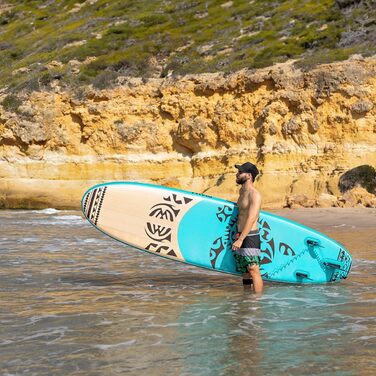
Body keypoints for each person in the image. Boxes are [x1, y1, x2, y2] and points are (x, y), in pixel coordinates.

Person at [232, 162, 263, 294]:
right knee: (244, 271)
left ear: (249, 175)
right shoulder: (242, 191)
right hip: (240, 234)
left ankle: (257, 301)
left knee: (253, 269)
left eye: (240, 172)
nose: (237, 174)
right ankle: (246, 299)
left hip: (250, 236)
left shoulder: (254, 194)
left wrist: (241, 239)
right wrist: (238, 236)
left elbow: (251, 218)